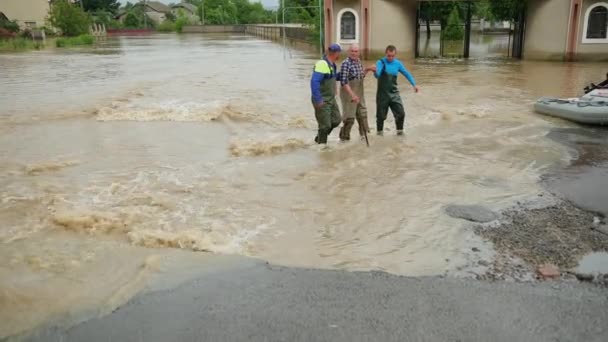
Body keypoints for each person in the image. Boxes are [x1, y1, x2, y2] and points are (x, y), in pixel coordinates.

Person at [373, 45, 419, 136]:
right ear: (385, 54)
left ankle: (400, 133)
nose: (390, 58)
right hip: (382, 95)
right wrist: (374, 71)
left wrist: (414, 84)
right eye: (388, 56)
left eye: (392, 56)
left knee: (401, 113)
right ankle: (379, 135)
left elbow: (407, 74)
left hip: (394, 93)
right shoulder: (380, 62)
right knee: (381, 117)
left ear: (395, 55)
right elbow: (377, 75)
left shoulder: (398, 64)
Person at [338, 44, 375, 141]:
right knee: (349, 118)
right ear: (348, 52)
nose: (354, 53)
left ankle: (363, 137)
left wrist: (367, 69)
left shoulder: (358, 61)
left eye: (356, 51)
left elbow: (360, 77)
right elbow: (343, 82)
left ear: (359, 53)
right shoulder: (345, 63)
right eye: (352, 51)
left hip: (359, 93)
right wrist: (352, 95)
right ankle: (344, 139)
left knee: (362, 114)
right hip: (348, 94)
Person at [310, 43, 342, 145]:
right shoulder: (322, 64)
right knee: (325, 126)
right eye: (338, 53)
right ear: (336, 53)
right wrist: (318, 100)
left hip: (331, 99)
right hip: (322, 100)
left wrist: (343, 75)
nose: (338, 55)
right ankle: (321, 147)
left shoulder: (332, 64)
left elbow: (331, 77)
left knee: (337, 120)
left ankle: (319, 138)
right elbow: (314, 82)